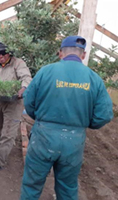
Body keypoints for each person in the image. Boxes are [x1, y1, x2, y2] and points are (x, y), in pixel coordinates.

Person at [21, 36, 113, 200]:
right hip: (74, 141)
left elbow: (29, 101)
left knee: (31, 186)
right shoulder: (94, 79)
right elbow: (104, 115)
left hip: (43, 137)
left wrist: (41, 119)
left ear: (60, 53)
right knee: (67, 189)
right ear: (83, 55)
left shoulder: (46, 72)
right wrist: (83, 123)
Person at [0, 41, 32, 172]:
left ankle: (0, 161)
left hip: (14, 102)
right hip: (0, 100)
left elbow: (26, 77)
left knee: (8, 132)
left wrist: (24, 88)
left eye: (2, 54)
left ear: (8, 53)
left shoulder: (18, 63)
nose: (0, 57)